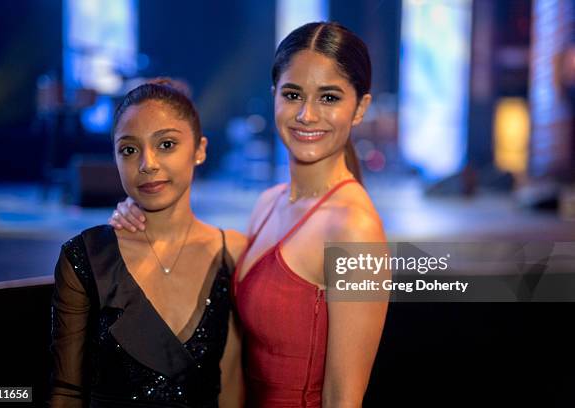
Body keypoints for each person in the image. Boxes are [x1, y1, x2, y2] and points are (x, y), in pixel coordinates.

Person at [111, 22, 388, 407]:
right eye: (293, 94)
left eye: (329, 98)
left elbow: (343, 398)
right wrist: (140, 214)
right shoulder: (269, 202)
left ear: (359, 108)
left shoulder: (353, 229)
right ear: (274, 96)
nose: (307, 114)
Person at [50, 79, 246, 407]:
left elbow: (231, 385)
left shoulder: (234, 253)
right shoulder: (86, 257)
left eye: (166, 144)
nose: (147, 164)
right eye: (129, 149)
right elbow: (67, 391)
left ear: (199, 149)